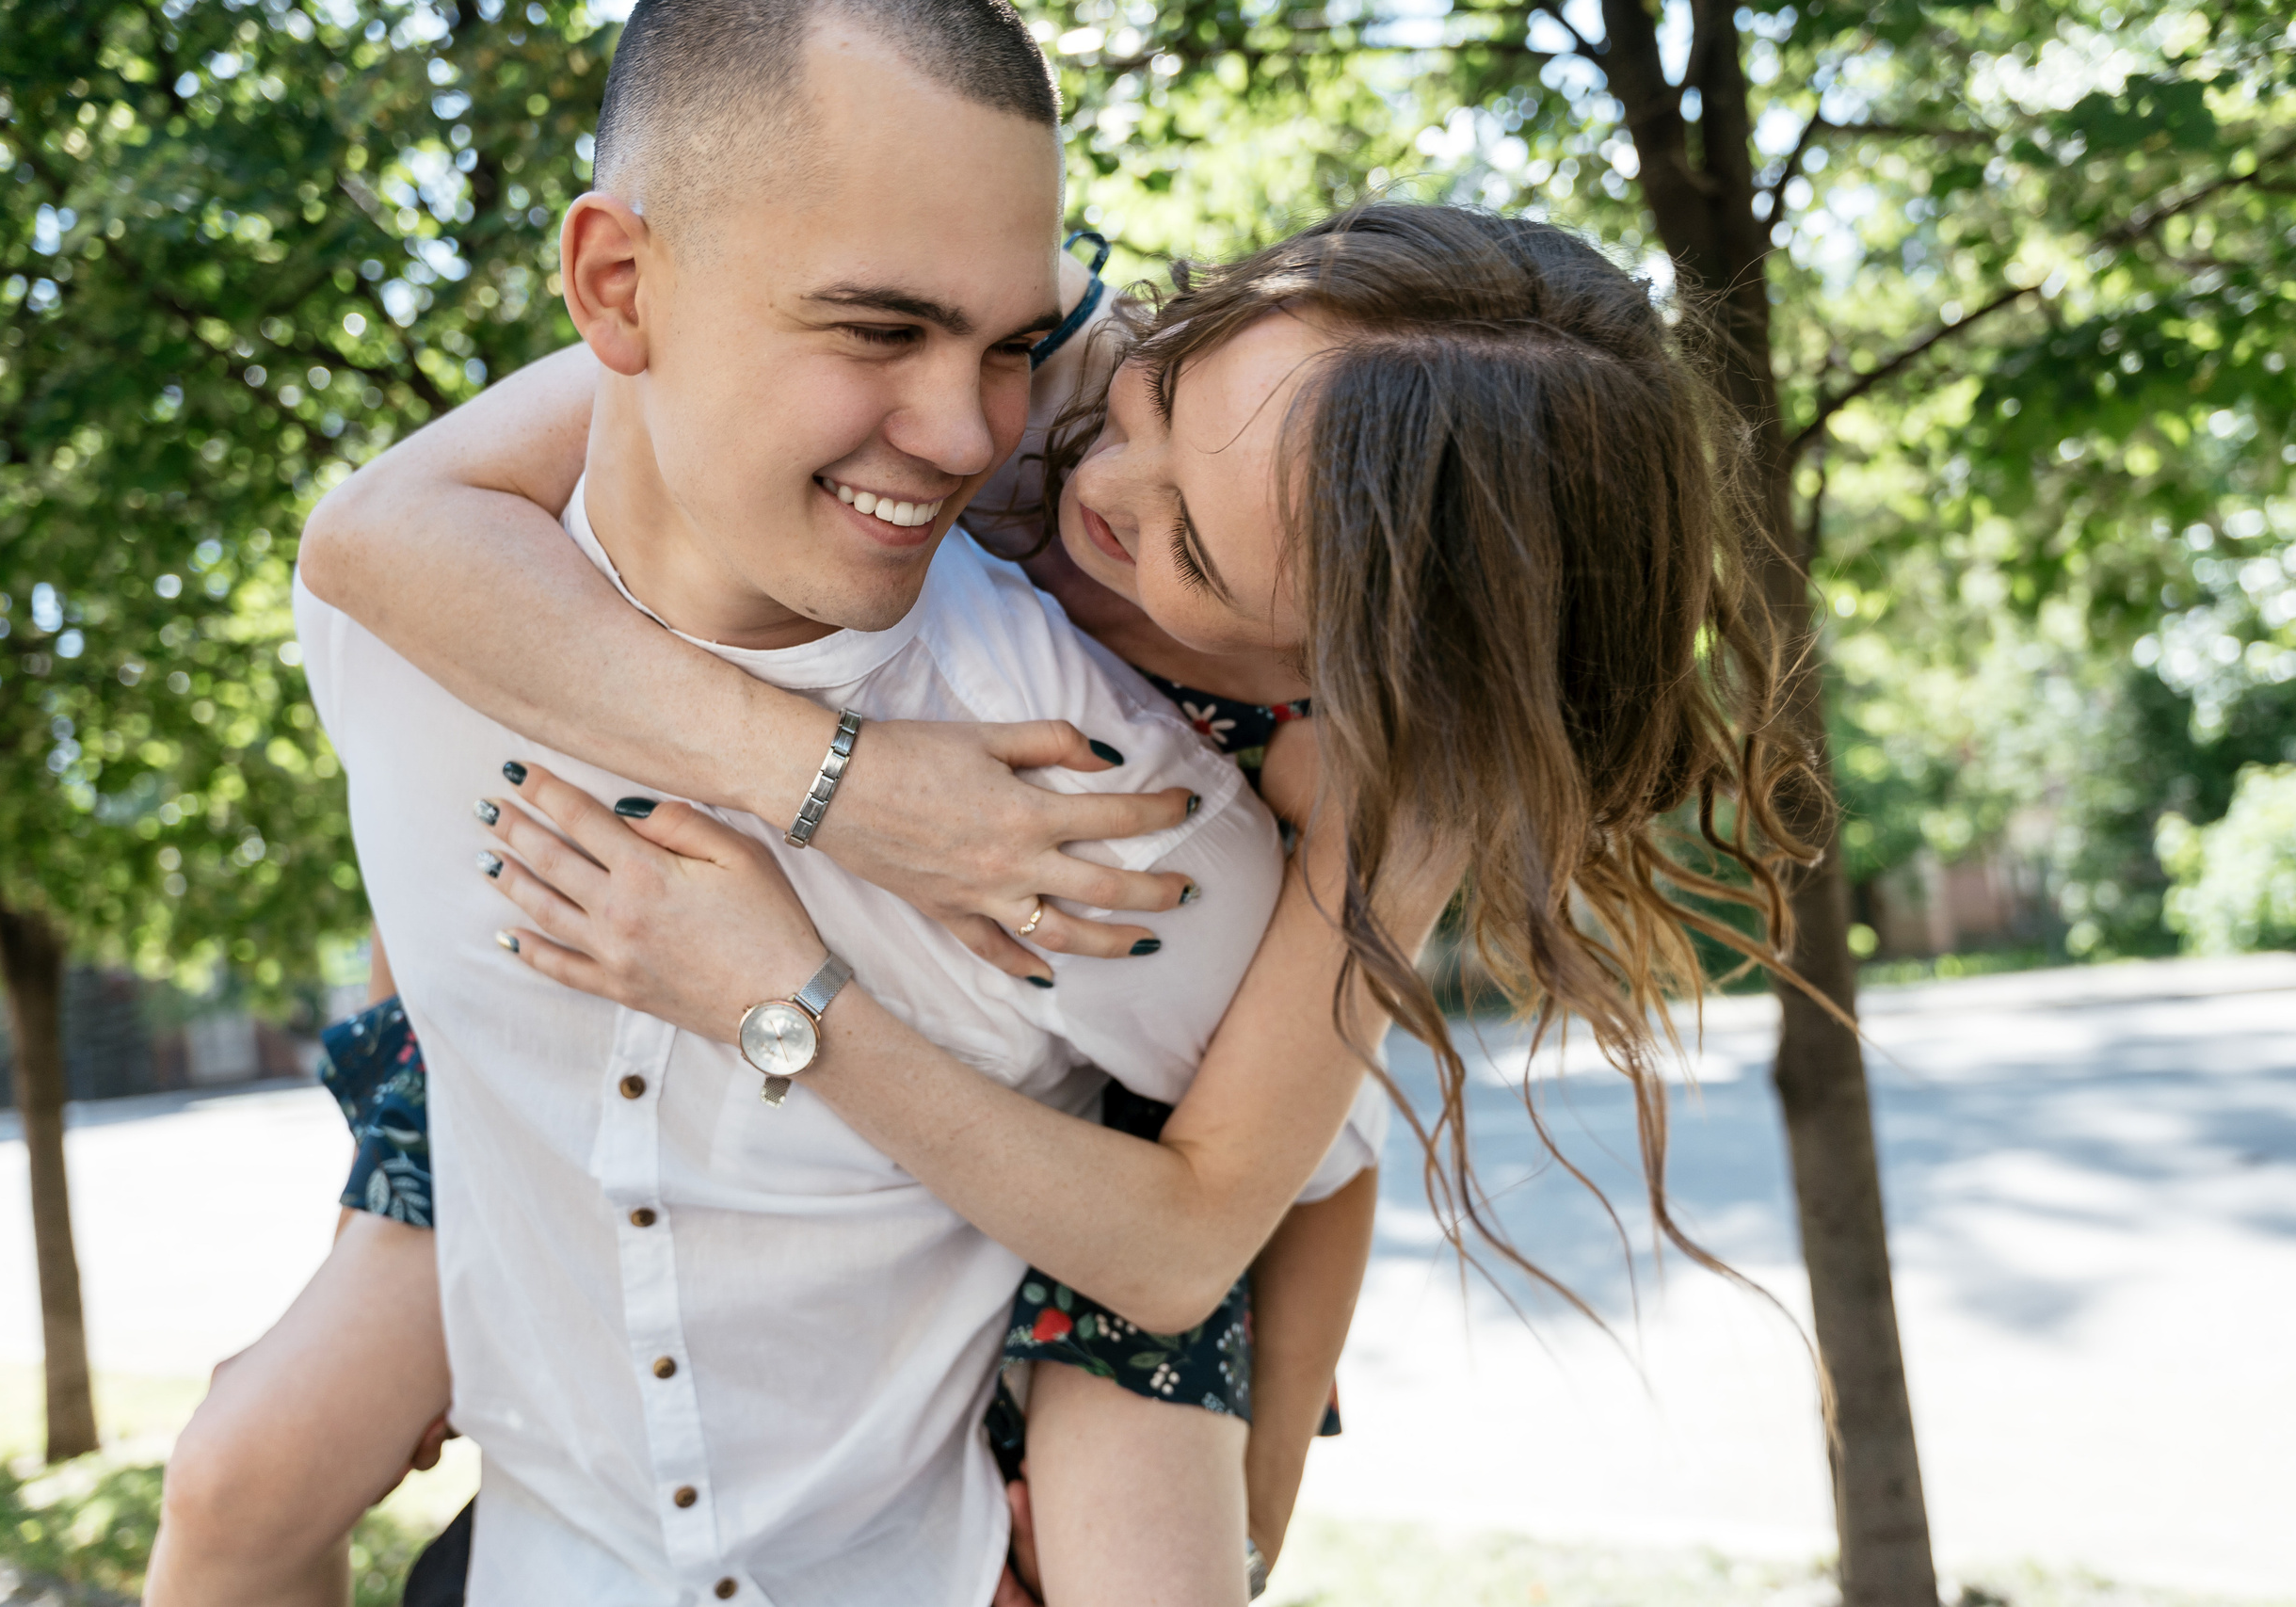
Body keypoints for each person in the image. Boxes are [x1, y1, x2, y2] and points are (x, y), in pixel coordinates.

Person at [151, 6, 1389, 1605]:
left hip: (959, 1482)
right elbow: (380, 583)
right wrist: (832, 786)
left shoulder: (1148, 799)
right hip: (544, 1538)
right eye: (877, 329)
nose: (977, 444)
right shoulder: (411, 613)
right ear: (616, 286)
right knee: (237, 1475)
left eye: (1009, 347)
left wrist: (1257, 1501)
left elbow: (1297, 1170)